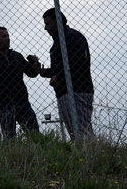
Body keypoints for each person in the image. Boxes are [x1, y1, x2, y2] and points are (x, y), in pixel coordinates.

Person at [34, 9, 95, 139]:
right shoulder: (61, 40)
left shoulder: (72, 37)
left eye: (48, 23)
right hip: (66, 91)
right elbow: (61, 68)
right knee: (76, 131)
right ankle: (85, 154)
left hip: (77, 90)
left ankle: (91, 153)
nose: (45, 28)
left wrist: (59, 77)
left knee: (82, 130)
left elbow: (78, 62)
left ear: (58, 22)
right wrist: (44, 72)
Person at [0, 26, 40, 139]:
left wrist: (35, 65)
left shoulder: (16, 56)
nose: (7, 38)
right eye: (3, 36)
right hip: (3, 105)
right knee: (9, 138)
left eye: (8, 36)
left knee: (35, 135)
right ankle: (14, 156)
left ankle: (38, 154)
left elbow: (31, 73)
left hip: (22, 102)